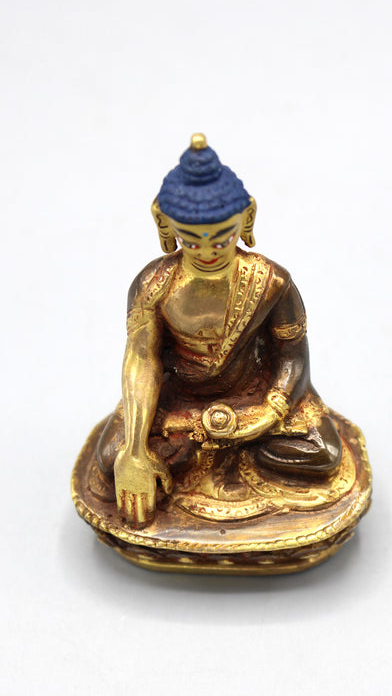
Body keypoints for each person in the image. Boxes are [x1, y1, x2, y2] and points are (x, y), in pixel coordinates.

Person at [97, 134, 342, 529]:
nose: (209, 251)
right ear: (165, 223)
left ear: (247, 218)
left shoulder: (271, 282)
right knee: (113, 458)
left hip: (254, 397)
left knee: (323, 452)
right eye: (192, 241)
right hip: (180, 400)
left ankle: (207, 452)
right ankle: (222, 451)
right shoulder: (153, 285)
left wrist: (270, 411)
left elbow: (292, 356)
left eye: (222, 237)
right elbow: (142, 360)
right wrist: (136, 450)